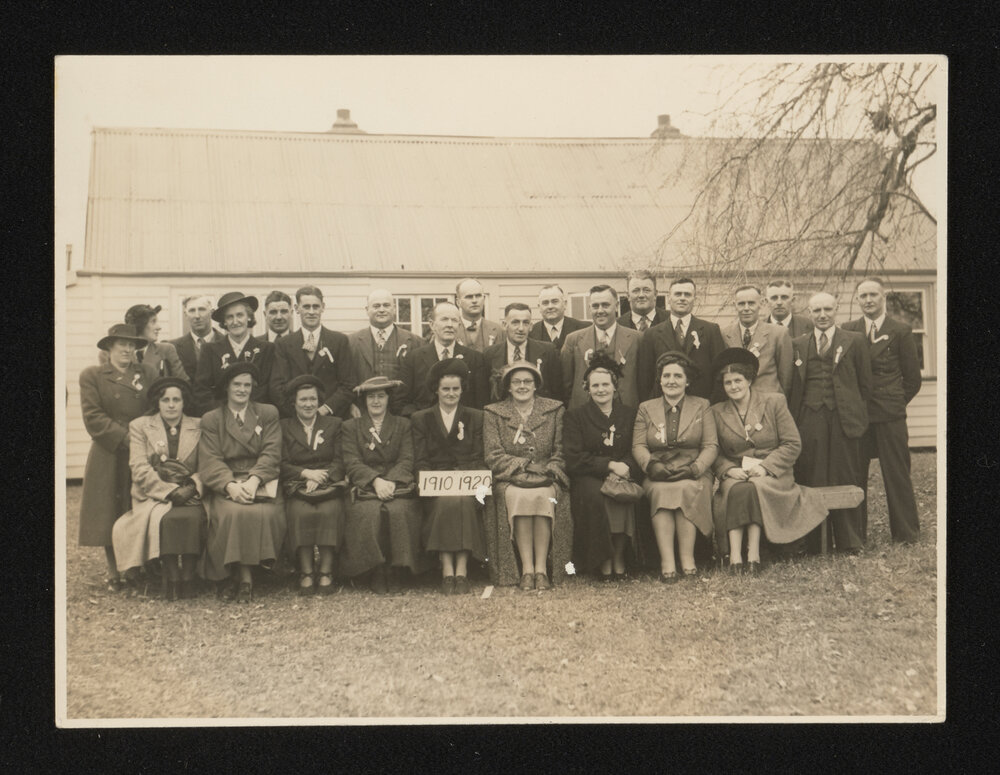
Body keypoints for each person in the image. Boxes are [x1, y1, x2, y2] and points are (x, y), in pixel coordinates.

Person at [709, 349, 828, 575]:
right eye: (728, 383)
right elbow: (713, 451)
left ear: (750, 380)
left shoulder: (774, 402)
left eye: (738, 381)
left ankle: (752, 553)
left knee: (754, 488)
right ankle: (734, 554)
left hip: (773, 473)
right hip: (737, 473)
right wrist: (728, 470)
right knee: (739, 489)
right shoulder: (716, 412)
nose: (733, 387)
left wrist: (765, 467)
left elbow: (792, 444)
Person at [788, 292, 872, 553]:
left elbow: (865, 384)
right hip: (810, 419)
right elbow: (793, 386)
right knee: (811, 477)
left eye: (827, 309)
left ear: (836, 310)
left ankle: (849, 541)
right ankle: (813, 543)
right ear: (809, 313)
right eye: (816, 311)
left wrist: (855, 413)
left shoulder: (855, 341)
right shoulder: (798, 344)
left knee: (845, 475)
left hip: (843, 419)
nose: (822, 315)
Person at [79, 324, 158, 591]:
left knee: (138, 507)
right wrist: (127, 438)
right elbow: (93, 418)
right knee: (109, 511)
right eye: (121, 344)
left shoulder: (146, 373)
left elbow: (155, 406)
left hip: (142, 451)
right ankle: (114, 571)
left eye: (131, 344)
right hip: (110, 451)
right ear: (109, 347)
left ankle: (138, 568)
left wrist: (143, 439)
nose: (126, 349)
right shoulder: (93, 376)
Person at [111, 376, 206, 600]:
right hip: (154, 495)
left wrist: (192, 487)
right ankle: (172, 578)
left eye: (176, 399)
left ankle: (189, 578)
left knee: (192, 517)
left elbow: (209, 463)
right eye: (165, 400)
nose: (171, 405)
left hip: (191, 493)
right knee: (165, 518)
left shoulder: (199, 425)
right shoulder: (140, 426)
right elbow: (139, 466)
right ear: (157, 402)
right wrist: (169, 492)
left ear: (184, 402)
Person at [843, 278, 922, 544]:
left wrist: (894, 402)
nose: (868, 300)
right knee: (855, 475)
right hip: (858, 418)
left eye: (873, 295)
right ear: (857, 300)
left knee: (896, 474)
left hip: (890, 416)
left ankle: (906, 534)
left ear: (883, 297)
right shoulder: (848, 329)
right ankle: (855, 536)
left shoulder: (900, 330)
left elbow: (913, 379)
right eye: (863, 295)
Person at [198, 362, 285, 602]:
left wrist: (254, 480)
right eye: (237, 384)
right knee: (231, 513)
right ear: (227, 387)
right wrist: (231, 486)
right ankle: (235, 575)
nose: (242, 389)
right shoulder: (212, 418)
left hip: (261, 478)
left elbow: (271, 452)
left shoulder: (267, 413)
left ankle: (251, 573)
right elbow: (210, 459)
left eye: (247, 385)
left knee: (266, 513)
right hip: (227, 480)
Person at [484, 361, 571, 590]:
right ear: (509, 387)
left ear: (536, 385)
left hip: (546, 476)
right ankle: (526, 568)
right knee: (519, 497)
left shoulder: (554, 410)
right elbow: (492, 454)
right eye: (516, 382)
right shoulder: (493, 412)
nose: (522, 386)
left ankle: (541, 569)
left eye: (527, 381)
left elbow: (561, 450)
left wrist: (550, 468)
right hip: (511, 478)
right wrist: (523, 465)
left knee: (543, 495)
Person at [632, 351, 718, 582]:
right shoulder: (646, 407)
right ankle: (667, 560)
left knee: (686, 489)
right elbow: (639, 445)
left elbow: (710, 445)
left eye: (678, 376)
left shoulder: (702, 405)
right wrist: (650, 465)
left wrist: (695, 469)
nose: (671, 381)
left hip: (692, 471)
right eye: (666, 376)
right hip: (659, 472)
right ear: (659, 380)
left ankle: (687, 558)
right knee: (661, 491)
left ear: (687, 381)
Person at [340, 376, 428, 593]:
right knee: (368, 512)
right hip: (366, 486)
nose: (376, 402)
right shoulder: (351, 427)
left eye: (381, 396)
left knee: (399, 510)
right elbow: (351, 461)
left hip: (396, 485)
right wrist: (375, 480)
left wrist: (389, 481)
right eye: (371, 397)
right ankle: (375, 569)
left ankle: (398, 569)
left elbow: (407, 459)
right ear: (365, 400)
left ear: (389, 399)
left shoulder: (403, 425)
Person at [411, 359, 487, 595]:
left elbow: (479, 455)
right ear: (436, 389)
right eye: (446, 389)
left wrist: (463, 474)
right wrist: (433, 480)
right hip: (435, 484)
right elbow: (420, 459)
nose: (451, 393)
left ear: (462, 389)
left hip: (466, 481)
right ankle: (446, 568)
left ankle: (462, 569)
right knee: (446, 501)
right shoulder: (421, 418)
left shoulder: (476, 417)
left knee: (462, 501)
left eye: (455, 388)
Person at [563, 353, 641, 580]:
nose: (601, 390)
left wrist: (625, 466)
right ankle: (602, 560)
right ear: (587, 389)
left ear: (615, 387)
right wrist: (609, 465)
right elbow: (573, 457)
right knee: (596, 497)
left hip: (624, 471)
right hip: (589, 474)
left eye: (605, 384)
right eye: (594, 385)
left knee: (624, 495)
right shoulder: (575, 417)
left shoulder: (629, 414)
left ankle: (619, 557)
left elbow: (635, 447)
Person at [279, 375, 347, 596]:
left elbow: (340, 459)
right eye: (303, 400)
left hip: (327, 482)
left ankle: (326, 571)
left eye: (313, 399)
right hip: (298, 485)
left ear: (319, 401)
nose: (308, 404)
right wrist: (305, 473)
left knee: (330, 510)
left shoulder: (334, 424)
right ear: (294, 402)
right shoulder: (284, 426)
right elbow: (280, 462)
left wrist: (321, 477)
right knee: (300, 512)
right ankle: (306, 571)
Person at [269, 286, 357, 420]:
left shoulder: (339, 341)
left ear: (323, 307)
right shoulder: (283, 344)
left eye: (315, 307)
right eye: (306, 307)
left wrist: (325, 409)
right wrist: (298, 413)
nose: (311, 312)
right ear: (297, 309)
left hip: (332, 419)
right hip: (294, 419)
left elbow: (348, 384)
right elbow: (277, 387)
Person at [636, 277, 726, 401]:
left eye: (687, 295)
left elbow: (720, 374)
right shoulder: (652, 334)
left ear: (694, 299)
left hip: (701, 406)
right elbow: (645, 380)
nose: (682, 298)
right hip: (664, 407)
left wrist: (712, 406)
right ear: (669, 298)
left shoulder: (710, 330)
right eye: (678, 294)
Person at [398, 302, 488, 416]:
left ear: (459, 326)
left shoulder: (475, 359)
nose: (450, 325)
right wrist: (420, 420)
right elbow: (402, 402)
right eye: (444, 319)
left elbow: (481, 403)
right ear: (432, 325)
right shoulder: (413, 358)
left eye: (454, 320)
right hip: (424, 429)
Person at [193, 291, 274, 415]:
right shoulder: (210, 350)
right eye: (230, 317)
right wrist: (226, 414)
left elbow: (265, 390)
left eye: (240, 315)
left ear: (249, 317)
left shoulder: (265, 349)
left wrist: (245, 414)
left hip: (255, 417)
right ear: (224, 322)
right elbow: (202, 391)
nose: (235, 321)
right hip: (220, 418)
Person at [561, 285, 641, 410]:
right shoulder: (573, 340)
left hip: (627, 413)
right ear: (589, 308)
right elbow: (566, 385)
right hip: (584, 414)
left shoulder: (637, 338)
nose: (600, 311)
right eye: (595, 306)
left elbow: (644, 382)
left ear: (617, 306)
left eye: (605, 305)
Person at [347, 288, 423, 410]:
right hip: (362, 412)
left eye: (386, 305)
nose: (381, 310)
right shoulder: (351, 342)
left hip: (402, 413)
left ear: (394, 309)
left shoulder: (415, 342)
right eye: (376, 306)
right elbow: (346, 380)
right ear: (367, 310)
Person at [719, 285, 793, 395]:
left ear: (761, 304)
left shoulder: (778, 334)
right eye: (741, 304)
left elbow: (786, 377)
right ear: (735, 306)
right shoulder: (725, 334)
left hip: (768, 402)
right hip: (737, 402)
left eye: (751, 303)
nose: (746, 308)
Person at [484, 302, 563, 403]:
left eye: (525, 323)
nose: (521, 328)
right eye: (515, 322)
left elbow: (557, 391)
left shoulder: (548, 351)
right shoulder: (490, 354)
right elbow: (485, 393)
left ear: (530, 326)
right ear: (504, 325)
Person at [169, 295, 224, 389]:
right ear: (185, 315)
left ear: (211, 312)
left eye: (202, 309)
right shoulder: (173, 347)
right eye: (192, 311)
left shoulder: (226, 343)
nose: (197, 316)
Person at [124, 304, 188, 380]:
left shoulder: (166, 350)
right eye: (153, 322)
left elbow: (183, 384)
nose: (159, 327)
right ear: (139, 325)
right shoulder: (120, 353)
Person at [529, 284, 587, 351]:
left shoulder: (583, 329)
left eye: (555, 302)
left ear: (564, 304)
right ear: (539, 307)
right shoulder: (530, 333)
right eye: (545, 303)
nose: (550, 306)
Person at [453, 278, 504, 351]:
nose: (474, 301)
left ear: (483, 299)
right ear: (458, 302)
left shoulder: (498, 330)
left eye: (478, 296)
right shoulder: (451, 329)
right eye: (469, 297)